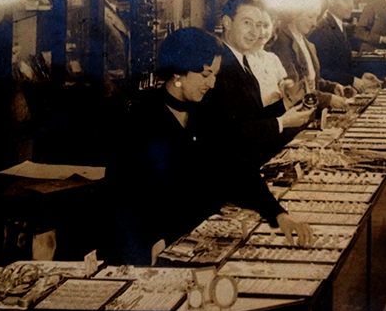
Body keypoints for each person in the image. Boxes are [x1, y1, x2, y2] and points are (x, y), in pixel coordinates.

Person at [103, 27, 312, 266]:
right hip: (150, 247)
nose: (212, 84)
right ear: (178, 71)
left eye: (215, 75)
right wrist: (152, 237)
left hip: (192, 242)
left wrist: (278, 214)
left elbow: (236, 167)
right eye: (205, 75)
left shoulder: (203, 112)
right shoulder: (141, 121)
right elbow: (125, 196)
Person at [201, 0, 313, 171]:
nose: (255, 32)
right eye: (247, 23)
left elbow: (255, 116)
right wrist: (282, 122)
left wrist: (287, 102)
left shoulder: (241, 60)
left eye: (259, 25)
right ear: (227, 22)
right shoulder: (219, 65)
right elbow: (235, 132)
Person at [269, 9, 355, 110]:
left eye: (316, 17)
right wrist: (327, 99)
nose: (314, 23)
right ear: (294, 13)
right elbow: (294, 89)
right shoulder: (281, 43)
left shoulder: (305, 42)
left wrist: (331, 87)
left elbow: (313, 82)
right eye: (310, 17)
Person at [307, 0, 381, 94]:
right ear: (331, 0)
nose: (351, 6)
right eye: (346, 0)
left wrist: (361, 75)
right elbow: (322, 72)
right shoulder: (322, 28)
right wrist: (351, 80)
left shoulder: (337, 23)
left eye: (352, 1)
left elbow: (342, 64)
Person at [247, 8, 289, 107]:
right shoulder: (244, 60)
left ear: (273, 27)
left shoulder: (272, 58)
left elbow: (282, 85)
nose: (262, 31)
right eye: (258, 26)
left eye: (266, 26)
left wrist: (288, 87)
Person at [103, 0, 131, 96]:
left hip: (122, 81)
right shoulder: (103, 16)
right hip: (111, 86)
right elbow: (98, 57)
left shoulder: (116, 11)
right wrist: (108, 87)